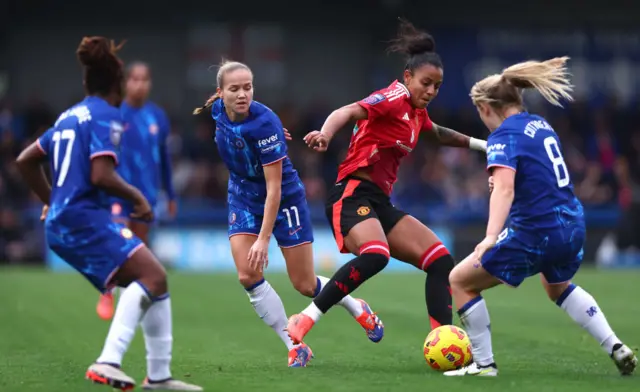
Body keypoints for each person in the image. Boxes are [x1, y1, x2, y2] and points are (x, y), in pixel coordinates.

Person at [16, 36, 202, 391]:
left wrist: (50, 199)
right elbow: (101, 174)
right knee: (152, 276)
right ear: (117, 85)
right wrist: (137, 197)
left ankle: (159, 377)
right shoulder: (108, 116)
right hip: (84, 219)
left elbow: (25, 160)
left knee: (154, 281)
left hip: (67, 221)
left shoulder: (70, 115)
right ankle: (108, 361)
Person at [285, 19, 487, 344]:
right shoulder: (394, 97)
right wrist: (325, 132)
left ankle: (443, 340)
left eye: (437, 86)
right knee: (376, 254)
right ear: (408, 77)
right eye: (426, 83)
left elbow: (436, 133)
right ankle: (305, 319)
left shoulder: (416, 113)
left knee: (441, 261)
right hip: (350, 195)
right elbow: (349, 110)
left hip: (378, 202)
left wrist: (484, 146)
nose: (432, 91)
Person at [443, 57, 637, 377]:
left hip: (535, 230)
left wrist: (491, 236)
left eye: (480, 112)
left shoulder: (503, 135)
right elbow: (535, 177)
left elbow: (504, 191)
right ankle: (615, 345)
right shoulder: (540, 125)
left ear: (487, 107)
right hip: (572, 223)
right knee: (557, 286)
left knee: (460, 281)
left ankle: (484, 365)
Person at [192, 60, 384, 368]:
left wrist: (262, 239)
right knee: (247, 275)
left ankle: (355, 305)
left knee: (305, 285)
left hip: (283, 200)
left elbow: (274, 189)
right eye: (234, 89)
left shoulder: (264, 123)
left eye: (248, 88)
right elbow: (218, 113)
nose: (243, 94)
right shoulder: (217, 110)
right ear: (220, 93)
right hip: (242, 196)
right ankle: (294, 345)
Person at [96, 61, 177, 321]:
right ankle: (106, 290)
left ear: (150, 83)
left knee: (139, 250)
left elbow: (164, 158)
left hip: (147, 195)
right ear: (126, 82)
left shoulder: (158, 117)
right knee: (119, 241)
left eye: (144, 79)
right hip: (117, 192)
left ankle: (130, 300)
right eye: (135, 79)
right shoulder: (114, 113)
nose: (139, 84)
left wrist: (171, 194)